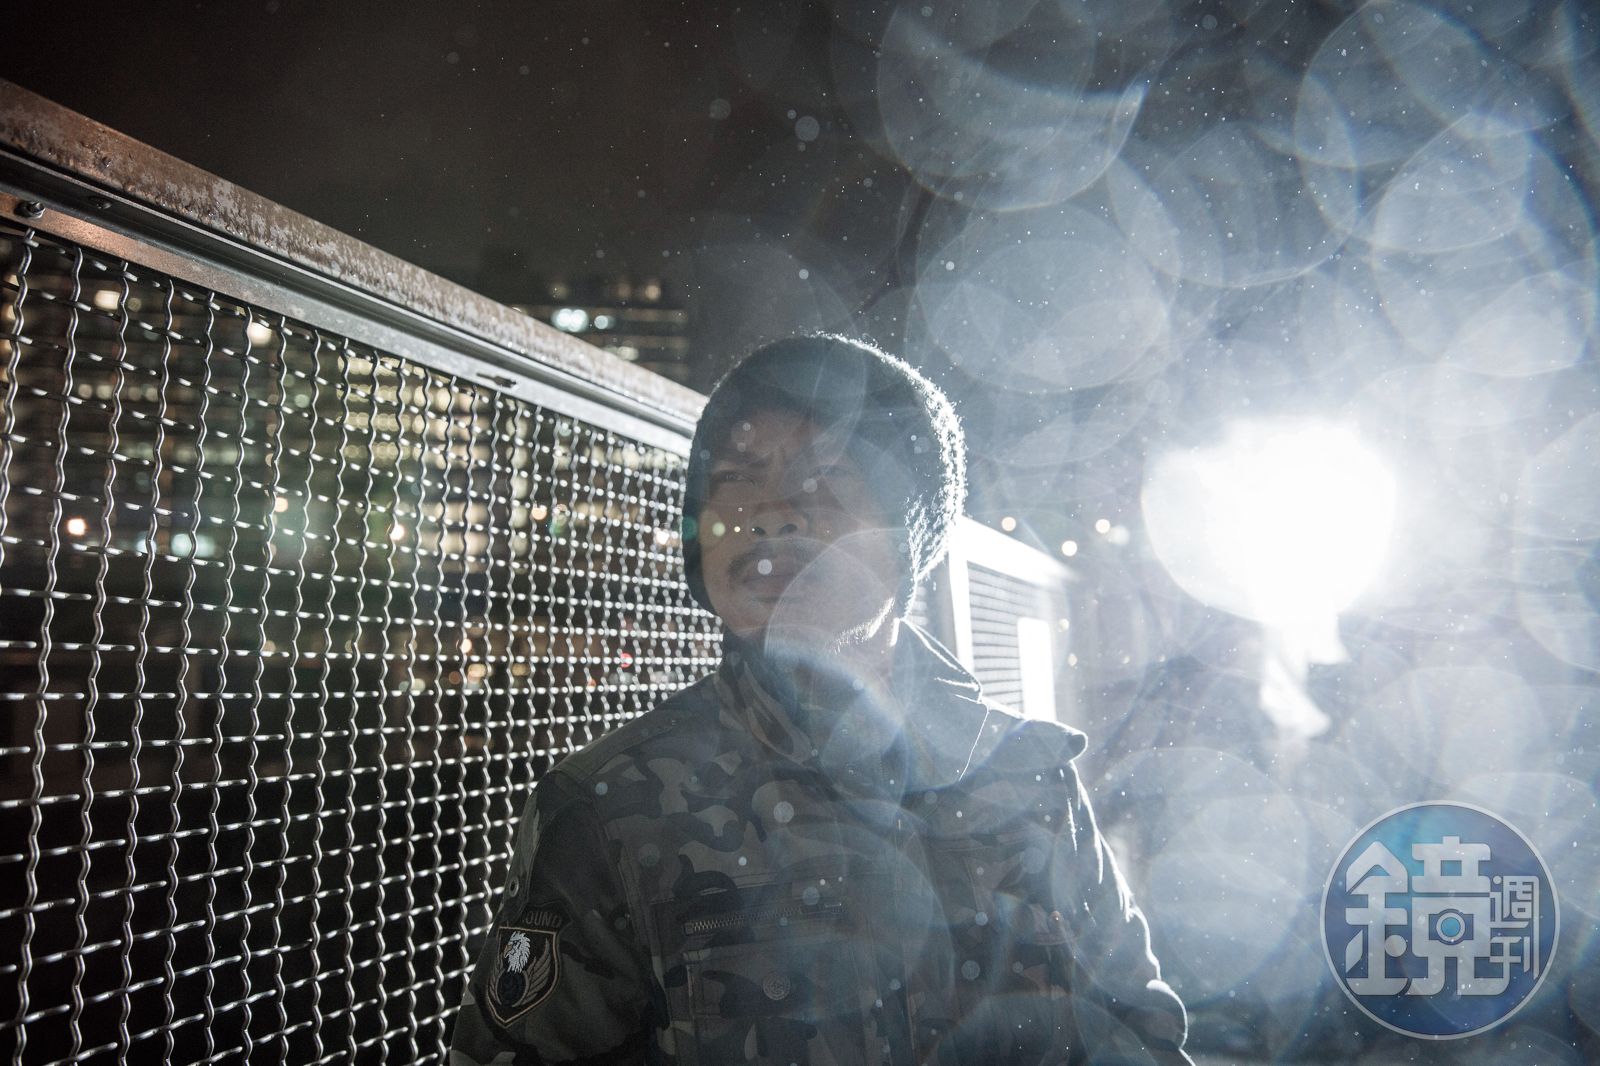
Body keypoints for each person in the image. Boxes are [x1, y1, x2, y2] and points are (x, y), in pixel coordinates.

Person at [450, 335, 1192, 1065]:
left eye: (826, 477)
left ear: (910, 532)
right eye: (734, 479)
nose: (772, 514)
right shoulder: (612, 807)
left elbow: (1138, 1034)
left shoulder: (1028, 773)